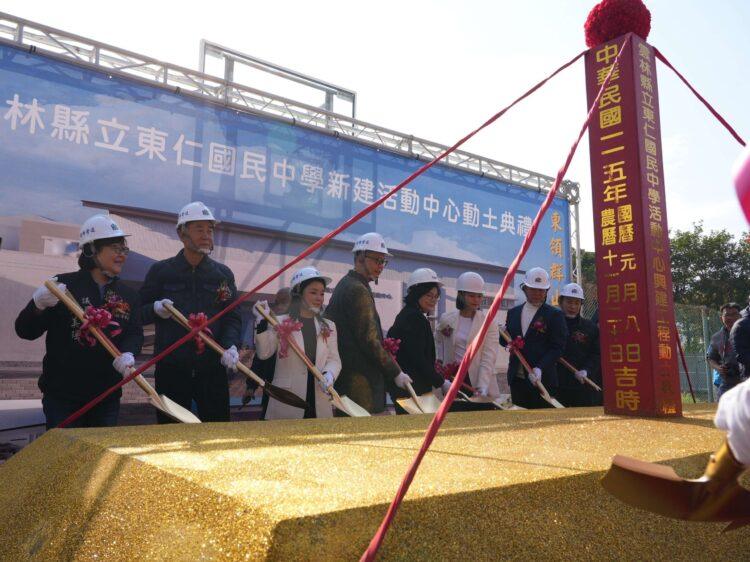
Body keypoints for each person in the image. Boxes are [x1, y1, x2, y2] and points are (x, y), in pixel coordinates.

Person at [15, 215, 143, 429]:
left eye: (124, 249)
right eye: (115, 248)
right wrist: (37, 306)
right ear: (91, 250)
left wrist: (129, 352)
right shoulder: (62, 287)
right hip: (62, 398)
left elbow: (134, 333)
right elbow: (25, 331)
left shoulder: (128, 295)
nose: (122, 254)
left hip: (106, 396)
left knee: (99, 452)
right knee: (65, 451)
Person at [139, 201, 241, 423]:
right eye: (199, 229)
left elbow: (232, 316)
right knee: (172, 432)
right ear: (181, 233)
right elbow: (138, 313)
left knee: (216, 432)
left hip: (212, 369)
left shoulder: (222, 274)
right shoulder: (161, 271)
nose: (206, 235)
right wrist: (155, 309)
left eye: (210, 230)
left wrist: (231, 345)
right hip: (172, 370)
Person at [324, 232, 412, 414]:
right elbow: (369, 340)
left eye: (383, 261)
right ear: (360, 257)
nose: (381, 266)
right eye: (377, 260)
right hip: (361, 387)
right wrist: (396, 372)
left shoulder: (347, 284)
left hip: (349, 384)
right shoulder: (357, 290)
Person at [253, 267, 341, 419]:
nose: (319, 298)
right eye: (313, 292)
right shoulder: (279, 322)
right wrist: (261, 322)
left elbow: (334, 359)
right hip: (287, 401)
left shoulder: (329, 326)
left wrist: (329, 374)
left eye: (322, 293)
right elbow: (264, 353)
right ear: (298, 294)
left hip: (319, 401)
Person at [387, 269, 452, 414]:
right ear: (416, 293)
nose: (433, 300)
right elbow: (418, 358)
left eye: (436, 296)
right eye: (428, 295)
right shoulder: (414, 318)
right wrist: (441, 382)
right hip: (413, 390)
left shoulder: (407, 314)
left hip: (408, 389)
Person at [502, 267, 567, 409]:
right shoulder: (513, 313)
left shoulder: (554, 315)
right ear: (525, 288)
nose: (537, 293)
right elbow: (506, 342)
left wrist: (540, 368)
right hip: (517, 380)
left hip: (543, 381)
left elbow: (558, 347)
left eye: (541, 290)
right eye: (533, 289)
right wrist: (502, 334)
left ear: (546, 291)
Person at [435, 271, 500, 397]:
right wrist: (441, 370)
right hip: (452, 378)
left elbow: (489, 357)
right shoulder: (446, 319)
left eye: (479, 296)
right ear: (461, 295)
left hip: (477, 380)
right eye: (471, 296)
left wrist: (482, 385)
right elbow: (438, 345)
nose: (476, 300)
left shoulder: (489, 323)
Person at [242, 287, 291, 416]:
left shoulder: (298, 326)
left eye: (284, 302)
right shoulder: (268, 323)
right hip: (271, 387)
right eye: (278, 302)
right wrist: (251, 386)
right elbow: (260, 357)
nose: (280, 307)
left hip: (292, 389)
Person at [554, 282, 600, 407]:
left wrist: (586, 370)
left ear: (581, 304)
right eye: (569, 302)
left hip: (582, 384)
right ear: (561, 302)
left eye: (577, 303)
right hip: (557, 384)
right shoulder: (552, 324)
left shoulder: (590, 327)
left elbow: (596, 354)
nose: (573, 306)